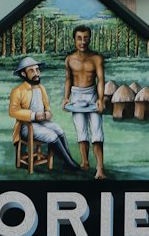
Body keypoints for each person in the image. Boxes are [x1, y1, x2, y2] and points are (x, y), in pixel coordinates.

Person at [8, 56, 83, 172]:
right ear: (23, 74)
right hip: (26, 126)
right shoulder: (18, 91)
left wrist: (48, 113)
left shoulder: (41, 88)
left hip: (42, 122)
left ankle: (66, 161)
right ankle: (69, 163)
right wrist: (33, 115)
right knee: (51, 135)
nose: (36, 73)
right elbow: (13, 111)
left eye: (37, 70)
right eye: (31, 71)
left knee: (59, 130)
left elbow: (47, 107)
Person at [63, 25, 106, 178]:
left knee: (97, 132)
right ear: (74, 40)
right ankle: (85, 162)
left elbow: (101, 80)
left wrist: (100, 99)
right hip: (76, 96)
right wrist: (66, 97)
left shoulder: (96, 58)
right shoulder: (69, 59)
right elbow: (68, 79)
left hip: (92, 95)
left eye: (85, 38)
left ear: (89, 39)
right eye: (79, 38)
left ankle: (100, 168)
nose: (82, 42)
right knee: (81, 131)